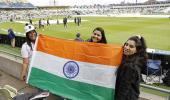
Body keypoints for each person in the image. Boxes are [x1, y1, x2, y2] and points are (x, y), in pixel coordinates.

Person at [115, 35, 148, 100]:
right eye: (126, 44)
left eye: (131, 46)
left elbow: (124, 88)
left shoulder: (130, 66)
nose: (127, 47)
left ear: (136, 50)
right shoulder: (137, 60)